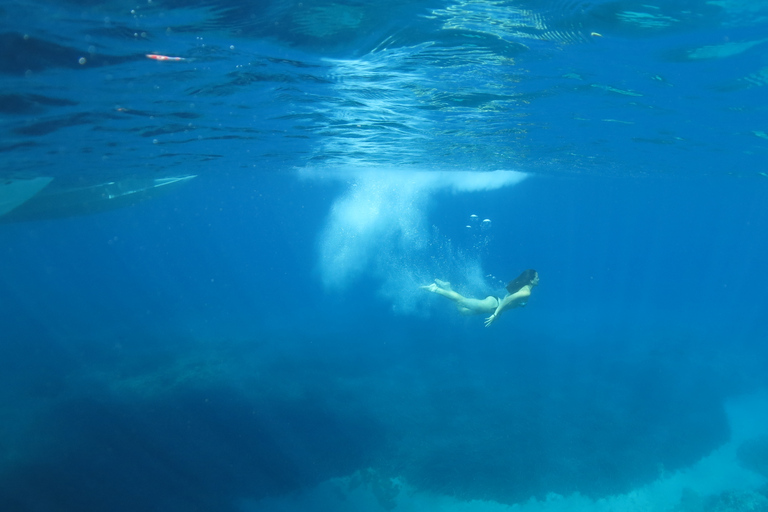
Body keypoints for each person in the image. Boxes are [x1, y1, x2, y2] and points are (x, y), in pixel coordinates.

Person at [421, 269, 539, 327]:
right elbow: (508, 300)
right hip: (493, 305)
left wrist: (498, 313)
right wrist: (496, 314)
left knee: (463, 312)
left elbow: (508, 299)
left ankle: (448, 288)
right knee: (462, 301)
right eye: (537, 277)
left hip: (495, 304)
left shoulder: (525, 289)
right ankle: (435, 289)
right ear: (531, 280)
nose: (539, 279)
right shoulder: (526, 292)